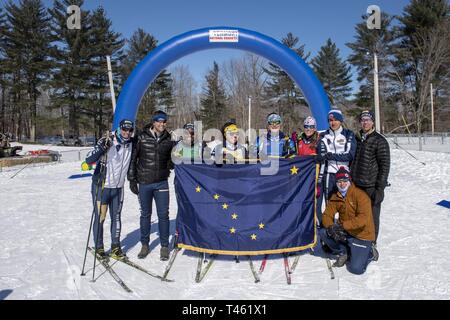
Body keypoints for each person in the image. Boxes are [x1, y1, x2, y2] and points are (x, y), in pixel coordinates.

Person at [127, 110, 176, 261]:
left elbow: (172, 162)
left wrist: (174, 159)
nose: (162, 124)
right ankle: (145, 244)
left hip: (161, 182)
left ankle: (164, 246)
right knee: (145, 215)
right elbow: (133, 159)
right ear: (153, 122)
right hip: (144, 182)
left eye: (164, 122)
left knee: (163, 215)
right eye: (159, 121)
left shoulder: (169, 139)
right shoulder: (141, 137)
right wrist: (132, 179)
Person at [85, 119, 135, 260]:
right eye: (124, 129)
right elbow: (88, 160)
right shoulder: (106, 140)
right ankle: (99, 247)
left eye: (130, 130)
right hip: (102, 187)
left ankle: (115, 247)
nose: (127, 133)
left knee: (117, 218)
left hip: (118, 188)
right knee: (100, 217)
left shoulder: (131, 143)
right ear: (119, 129)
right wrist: (102, 148)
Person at [319, 166, 375, 274]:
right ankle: (343, 251)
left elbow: (363, 219)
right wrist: (331, 227)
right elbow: (326, 215)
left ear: (349, 181)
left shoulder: (360, 196)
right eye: (339, 181)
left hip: (362, 235)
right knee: (323, 232)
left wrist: (342, 226)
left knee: (356, 269)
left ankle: (370, 253)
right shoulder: (336, 196)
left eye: (345, 181)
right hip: (346, 232)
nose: (342, 184)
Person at [351, 110, 390, 260]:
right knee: (358, 215)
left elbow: (384, 166)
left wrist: (380, 189)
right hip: (356, 184)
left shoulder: (380, 140)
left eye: (368, 120)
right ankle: (358, 239)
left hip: (371, 186)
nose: (365, 122)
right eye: (363, 120)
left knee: (372, 216)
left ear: (373, 122)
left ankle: (372, 243)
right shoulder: (357, 138)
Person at [316, 109, 356, 225]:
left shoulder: (348, 134)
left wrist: (331, 155)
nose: (333, 123)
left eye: (336, 120)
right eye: (330, 120)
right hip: (329, 174)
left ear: (341, 121)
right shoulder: (323, 135)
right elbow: (321, 155)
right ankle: (329, 231)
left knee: (345, 204)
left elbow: (349, 155)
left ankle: (347, 229)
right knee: (330, 204)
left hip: (344, 176)